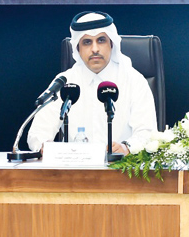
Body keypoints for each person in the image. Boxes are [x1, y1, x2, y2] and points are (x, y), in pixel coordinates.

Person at [28, 11, 157, 153]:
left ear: (111, 44)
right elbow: (38, 132)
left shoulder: (134, 80)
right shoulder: (65, 82)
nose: (95, 49)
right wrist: (45, 146)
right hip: (75, 165)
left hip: (121, 165)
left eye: (101, 40)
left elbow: (148, 133)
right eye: (87, 42)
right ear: (78, 48)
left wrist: (126, 148)